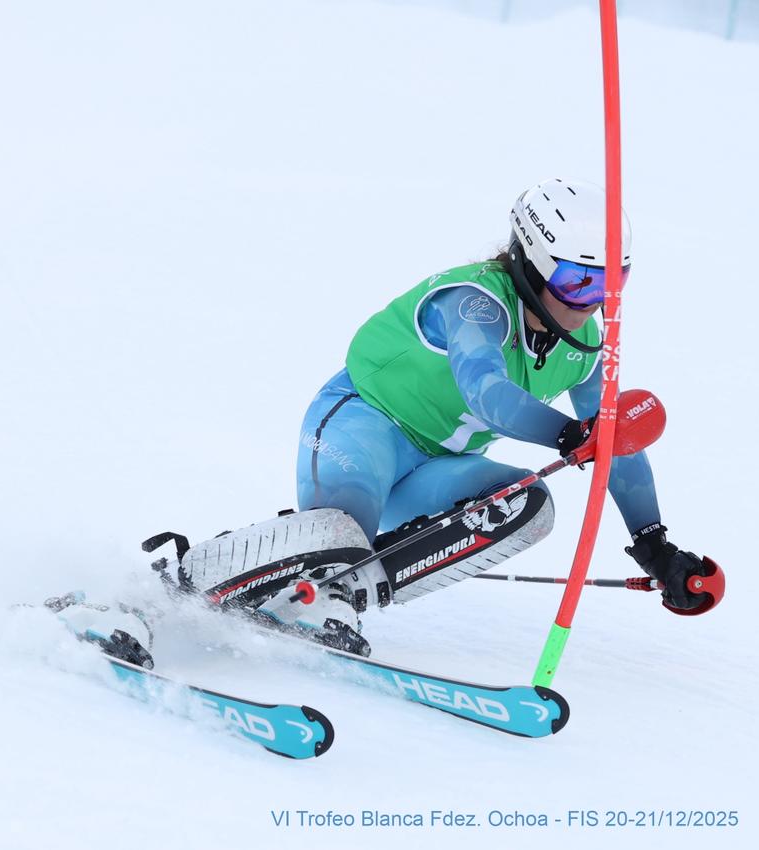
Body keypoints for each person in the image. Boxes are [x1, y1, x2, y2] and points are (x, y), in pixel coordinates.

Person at [245, 179, 713, 652]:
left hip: (433, 470)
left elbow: (613, 441)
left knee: (526, 503)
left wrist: (655, 545)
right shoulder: (476, 303)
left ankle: (345, 590)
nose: (592, 300)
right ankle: (279, 574)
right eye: (578, 281)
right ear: (532, 265)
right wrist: (569, 433)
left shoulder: (585, 347)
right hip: (363, 428)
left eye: (613, 283)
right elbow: (486, 391)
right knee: (343, 531)